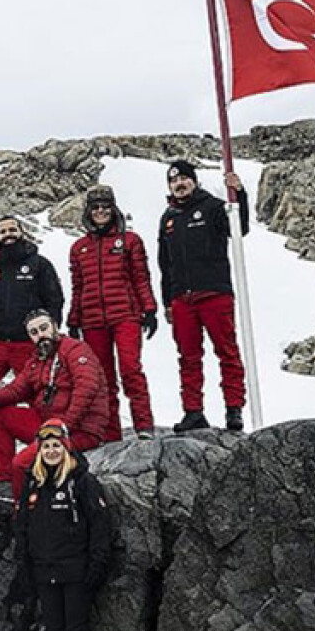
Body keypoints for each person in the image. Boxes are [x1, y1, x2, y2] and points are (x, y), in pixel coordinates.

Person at [13, 419, 111, 631]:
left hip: (76, 571)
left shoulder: (82, 482)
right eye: (46, 446)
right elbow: (22, 527)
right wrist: (24, 567)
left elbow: (100, 525)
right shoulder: (35, 483)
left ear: (66, 448)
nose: (52, 451)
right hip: (44, 571)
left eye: (56, 445)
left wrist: (97, 564)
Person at [158, 161, 251, 433]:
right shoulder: (168, 218)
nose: (180, 184)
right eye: (174, 181)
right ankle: (193, 411)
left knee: (227, 352)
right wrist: (167, 301)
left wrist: (240, 194)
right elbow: (165, 264)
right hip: (181, 299)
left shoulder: (213, 207)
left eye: (185, 179)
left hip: (214, 293)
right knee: (187, 357)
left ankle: (234, 409)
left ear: (194, 182)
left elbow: (239, 228)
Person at [0, 216, 64, 464]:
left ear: (21, 232)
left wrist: (49, 334)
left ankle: (44, 441)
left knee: (36, 392)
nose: (8, 234)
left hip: (27, 345)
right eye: (3, 231)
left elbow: (54, 299)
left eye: (12, 229)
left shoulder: (39, 265)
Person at [0, 309, 109, 498]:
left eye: (44, 328)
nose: (40, 335)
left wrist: (65, 426)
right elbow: (16, 389)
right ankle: (4, 481)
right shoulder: (36, 359)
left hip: (79, 430)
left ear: (55, 326)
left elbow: (86, 389)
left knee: (21, 463)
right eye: (34, 332)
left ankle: (20, 508)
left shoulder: (75, 350)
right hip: (48, 425)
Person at [67, 186, 158, 441]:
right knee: (103, 379)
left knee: (131, 369)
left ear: (113, 209)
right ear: (88, 211)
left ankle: (144, 426)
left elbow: (141, 278)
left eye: (105, 206)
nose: (100, 211)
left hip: (126, 316)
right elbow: (78, 286)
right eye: (95, 207)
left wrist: (149, 309)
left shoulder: (130, 241)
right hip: (92, 320)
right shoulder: (79, 248)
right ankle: (110, 433)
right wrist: (73, 319)